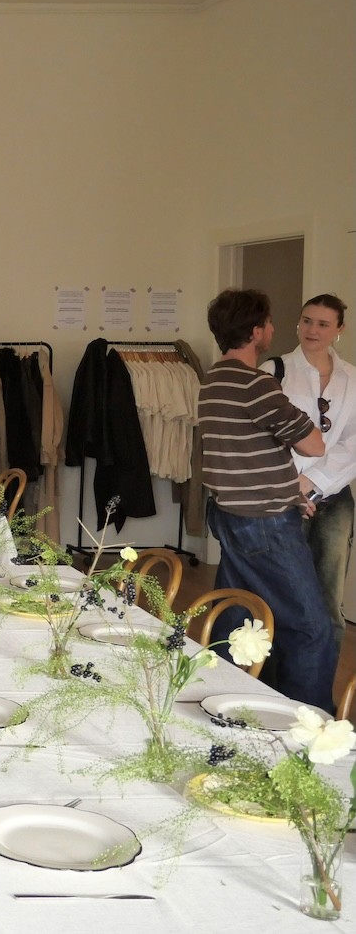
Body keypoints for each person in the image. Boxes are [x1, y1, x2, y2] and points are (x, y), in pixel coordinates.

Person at [198, 288, 332, 711]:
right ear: (256, 332)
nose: (273, 329)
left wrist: (289, 490)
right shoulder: (257, 384)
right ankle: (307, 726)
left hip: (230, 513)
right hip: (266, 524)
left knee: (237, 616)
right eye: (269, 322)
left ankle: (221, 705)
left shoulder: (213, 380)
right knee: (311, 629)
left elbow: (241, 454)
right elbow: (314, 445)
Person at [262, 293, 356, 642]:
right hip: (284, 497)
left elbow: (353, 443)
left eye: (322, 324)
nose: (312, 330)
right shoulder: (275, 371)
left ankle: (322, 675)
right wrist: (292, 485)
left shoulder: (352, 379)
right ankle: (274, 674)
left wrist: (312, 482)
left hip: (333, 499)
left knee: (329, 599)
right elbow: (261, 439)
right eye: (306, 321)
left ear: (339, 329)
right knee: (280, 593)